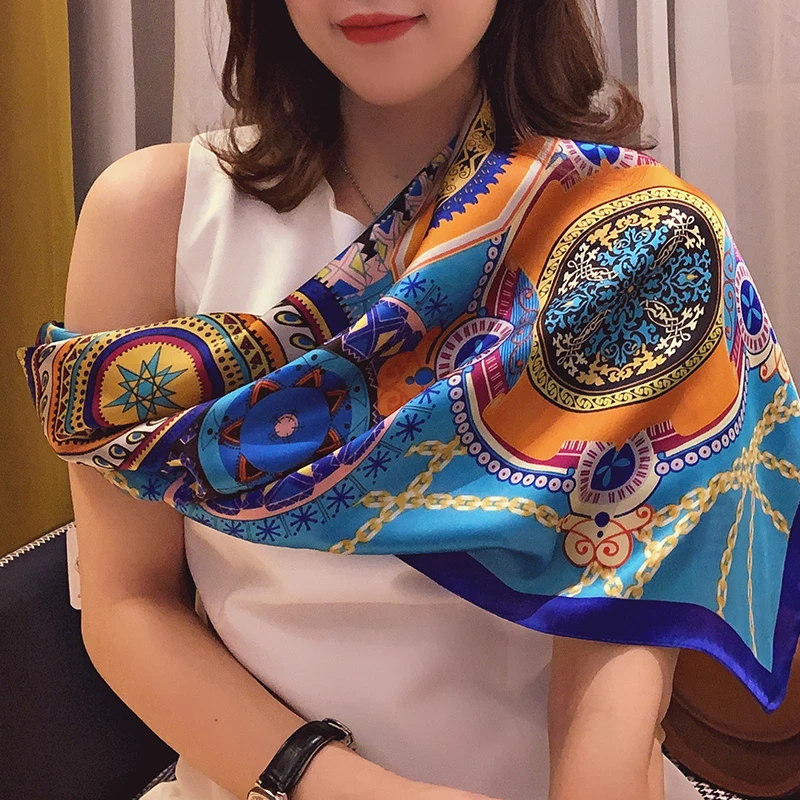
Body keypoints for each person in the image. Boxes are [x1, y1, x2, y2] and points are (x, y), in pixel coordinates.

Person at [38, 2, 797, 800]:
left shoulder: (633, 237)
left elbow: (623, 616)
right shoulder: (155, 219)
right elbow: (127, 604)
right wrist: (335, 786)